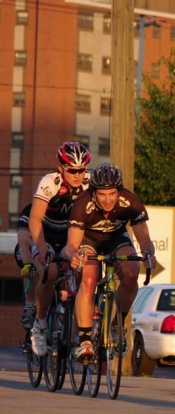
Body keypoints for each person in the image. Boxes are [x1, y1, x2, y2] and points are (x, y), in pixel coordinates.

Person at [64, 161, 156, 361]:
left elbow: (145, 240)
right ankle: (85, 340)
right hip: (88, 239)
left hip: (116, 237)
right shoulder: (82, 204)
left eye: (112, 194)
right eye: (102, 194)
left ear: (119, 192)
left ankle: (116, 325)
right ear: (94, 192)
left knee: (132, 272)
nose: (107, 200)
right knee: (89, 278)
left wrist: (149, 254)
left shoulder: (130, 202)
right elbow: (71, 245)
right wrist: (73, 255)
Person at [29, 141, 91, 356]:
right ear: (61, 168)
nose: (77, 175)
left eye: (81, 170)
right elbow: (35, 219)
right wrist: (41, 246)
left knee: (86, 271)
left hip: (71, 237)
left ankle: (78, 324)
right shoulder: (50, 182)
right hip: (45, 234)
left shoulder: (90, 184)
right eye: (72, 170)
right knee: (50, 272)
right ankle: (40, 322)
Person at [14, 203, 37, 330]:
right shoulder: (28, 210)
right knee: (30, 266)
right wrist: (28, 264)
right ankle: (29, 308)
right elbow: (23, 242)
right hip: (31, 247)